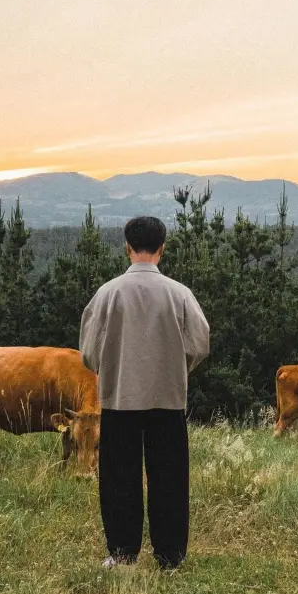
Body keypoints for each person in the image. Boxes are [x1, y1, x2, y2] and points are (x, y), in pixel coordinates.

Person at [80, 215, 210, 570]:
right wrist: (176, 370)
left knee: (119, 476)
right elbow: (200, 343)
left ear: (127, 247)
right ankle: (170, 557)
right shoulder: (179, 294)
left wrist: (112, 371)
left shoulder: (107, 294)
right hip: (168, 399)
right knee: (169, 476)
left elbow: (89, 353)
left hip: (119, 398)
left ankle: (122, 553)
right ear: (162, 248)